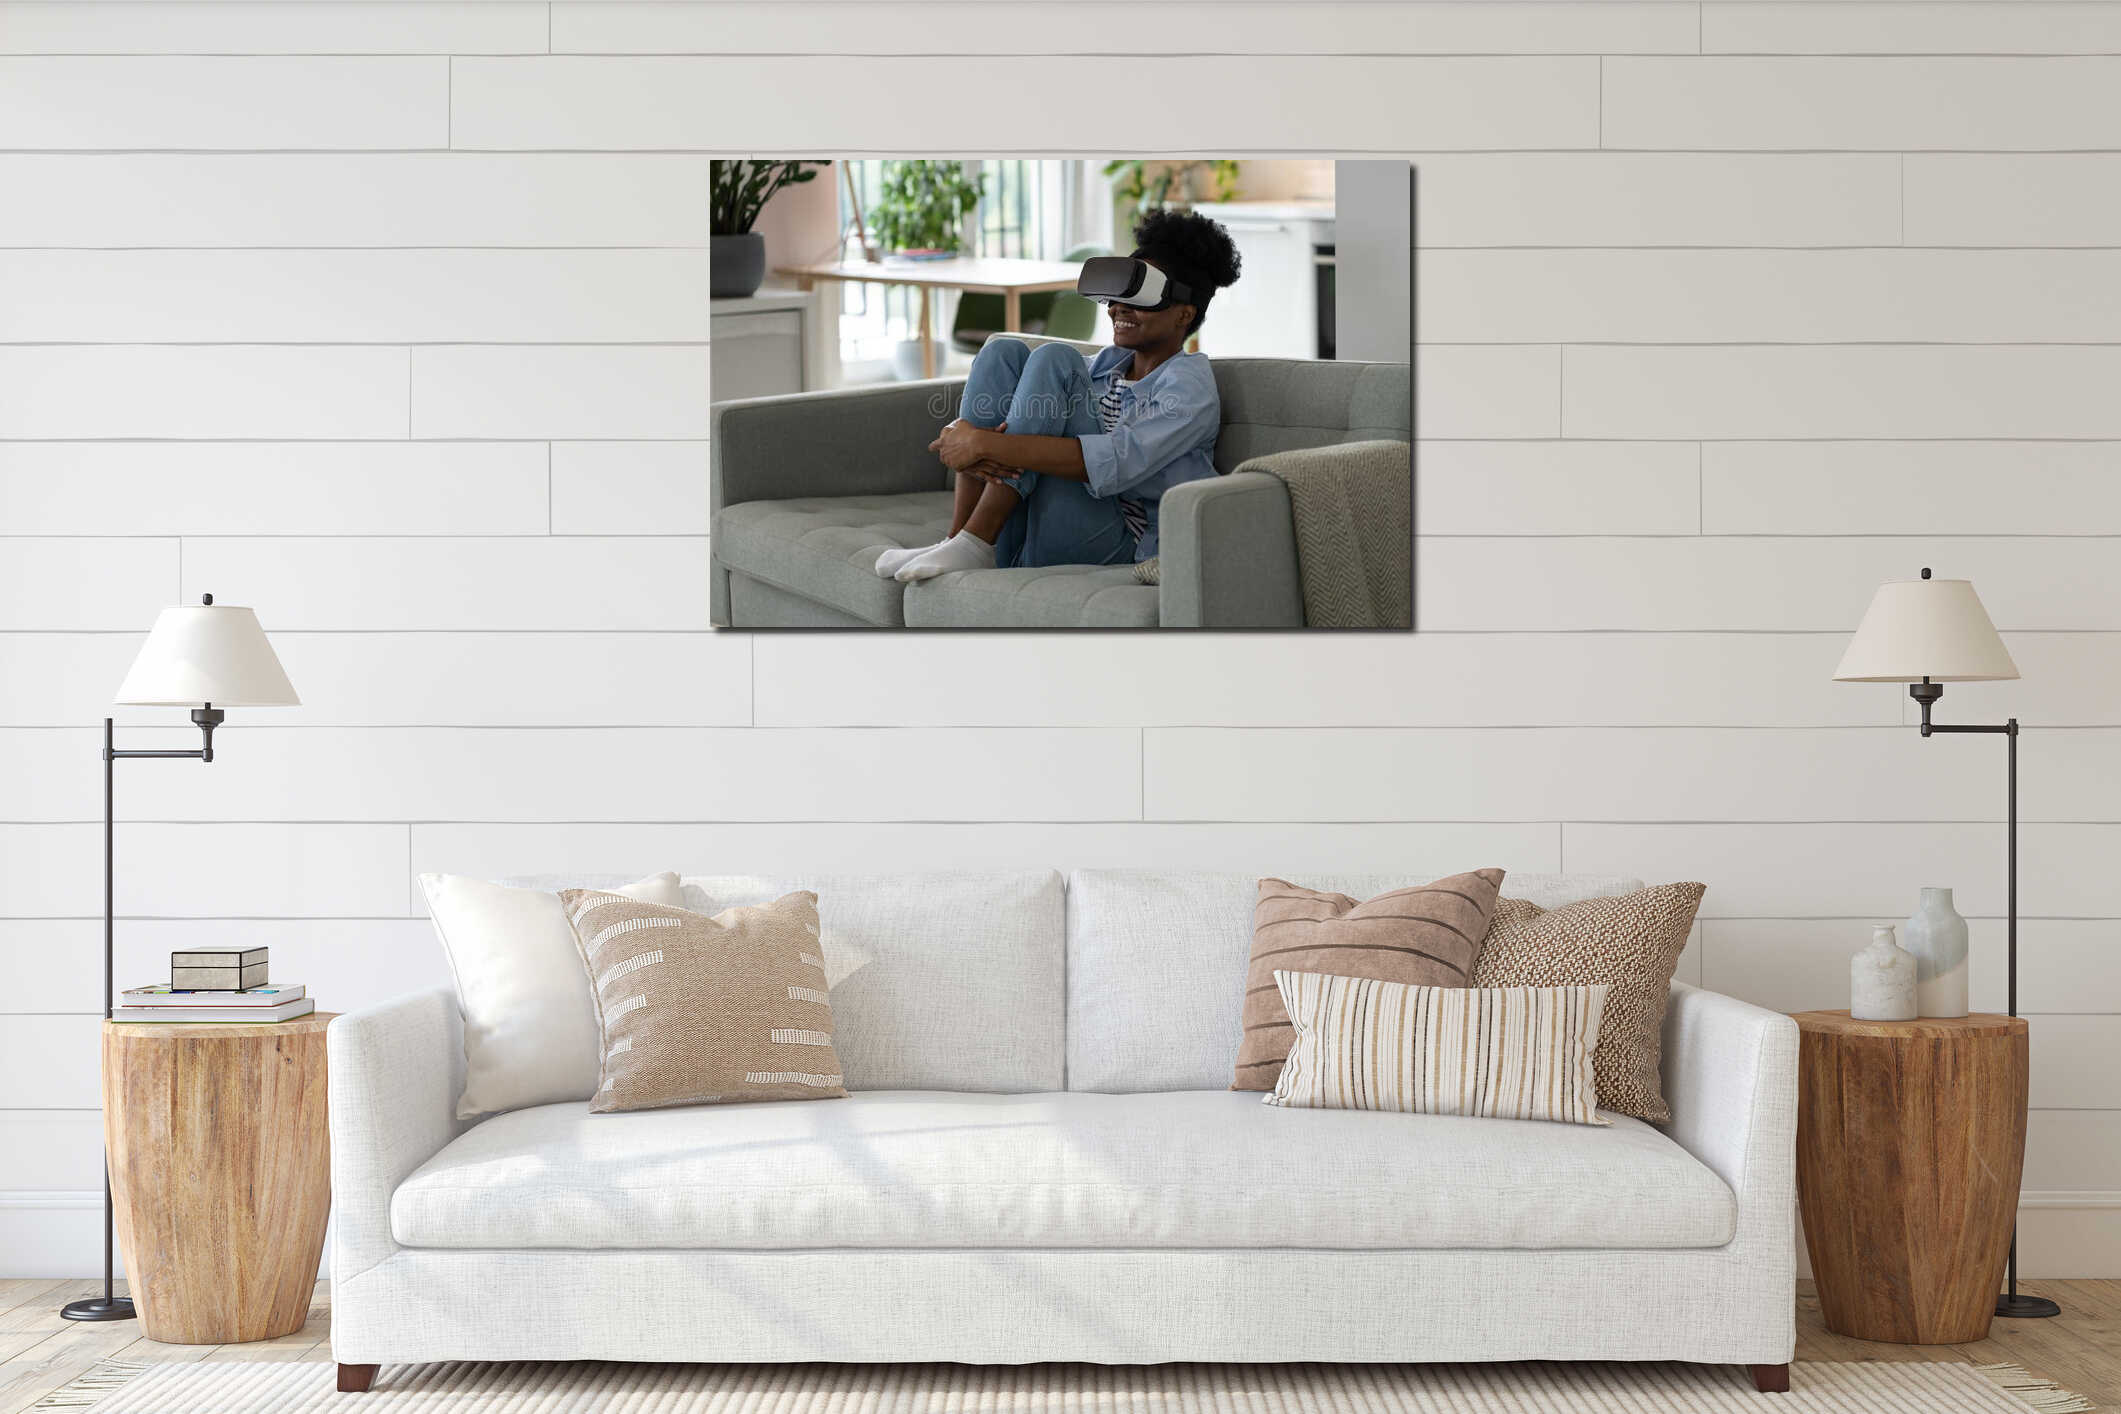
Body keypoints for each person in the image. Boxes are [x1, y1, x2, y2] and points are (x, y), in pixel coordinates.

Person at [873, 208, 1243, 582]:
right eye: (1115, 296)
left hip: (1117, 543)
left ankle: (975, 542)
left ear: (1184, 315)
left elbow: (1115, 464)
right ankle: (959, 539)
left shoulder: (1189, 388)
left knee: (1055, 357)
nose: (1117, 308)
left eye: (1140, 297)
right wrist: (964, 433)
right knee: (1004, 351)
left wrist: (983, 443)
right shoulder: (1103, 368)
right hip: (1041, 524)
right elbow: (1024, 415)